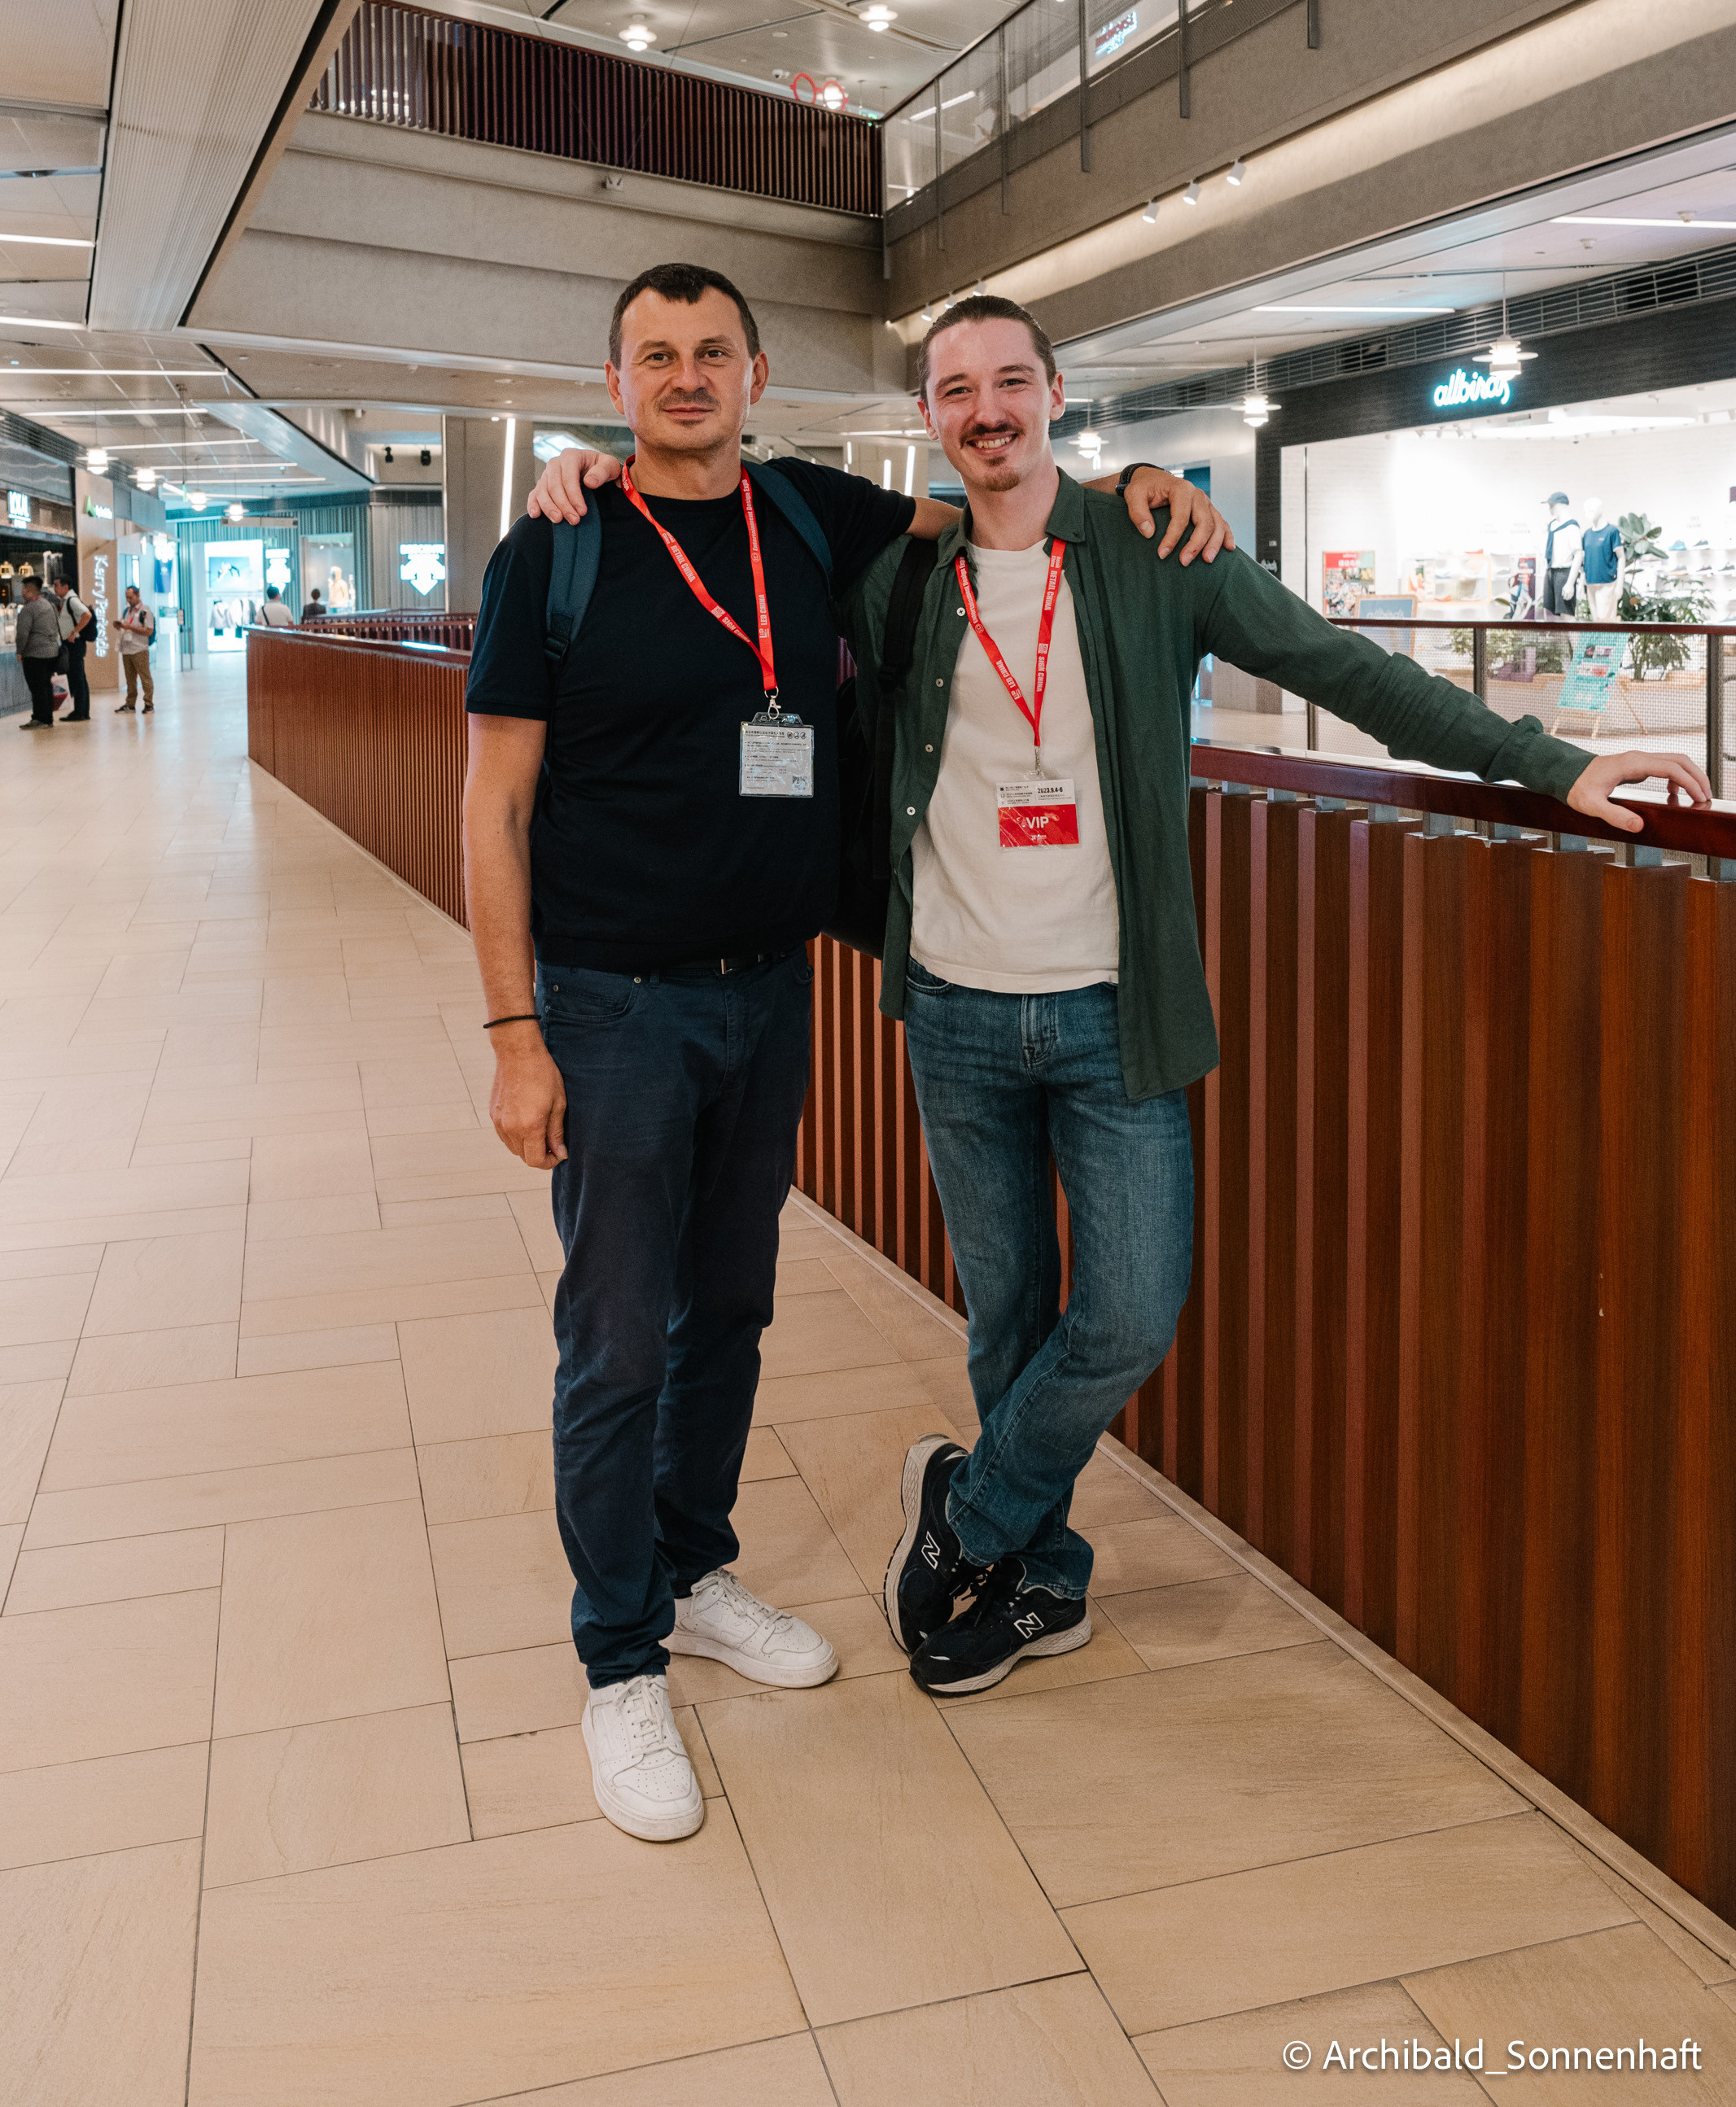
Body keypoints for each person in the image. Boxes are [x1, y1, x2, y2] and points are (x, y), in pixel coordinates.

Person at [820, 294, 1710, 1698]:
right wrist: (589, 477)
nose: (984, 408)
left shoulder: (1155, 545)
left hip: (1118, 1012)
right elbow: (741, 532)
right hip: (954, 1009)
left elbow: (1338, 669)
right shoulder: (901, 581)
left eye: (1008, 381)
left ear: (1055, 391)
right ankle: (1037, 1580)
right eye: (952, 390)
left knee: (1123, 1315)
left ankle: (972, 1517)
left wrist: (1547, 762)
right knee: (1004, 1313)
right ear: (928, 417)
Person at [465, 261, 1228, 1845]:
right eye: (654, 357)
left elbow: (1000, 503)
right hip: (606, 1001)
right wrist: (510, 1030)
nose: (686, 378)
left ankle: (688, 1570)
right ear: (613, 382)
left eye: (711, 353)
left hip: (766, 989)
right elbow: (493, 804)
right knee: (613, 1335)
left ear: (756, 372)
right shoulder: (554, 543)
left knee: (728, 1308)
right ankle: (619, 1659)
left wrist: (1146, 479)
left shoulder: (815, 517)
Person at [13, 578, 62, 728]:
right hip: (51, 652)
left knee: (37, 687)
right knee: (46, 686)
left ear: (27, 589)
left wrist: (20, 651)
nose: (22, 592)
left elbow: (22, 634)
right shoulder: (49, 605)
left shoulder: (28, 609)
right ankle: (48, 718)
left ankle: (39, 719)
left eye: (24, 589)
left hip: (34, 654)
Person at [51, 577, 95, 720]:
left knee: (78, 677)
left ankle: (80, 712)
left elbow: (87, 615)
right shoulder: (66, 601)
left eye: (56, 585)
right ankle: (81, 711)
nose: (55, 588)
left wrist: (75, 631)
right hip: (72, 644)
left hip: (74, 644)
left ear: (65, 587)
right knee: (79, 677)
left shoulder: (72, 600)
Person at [114, 585, 155, 713]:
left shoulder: (145, 611)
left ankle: (149, 704)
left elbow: (149, 631)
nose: (129, 600)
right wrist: (120, 626)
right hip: (127, 649)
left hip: (139, 649)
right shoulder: (127, 611)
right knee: (130, 679)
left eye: (131, 597)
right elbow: (126, 626)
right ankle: (130, 704)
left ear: (138, 595)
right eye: (127, 597)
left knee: (144, 677)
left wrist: (130, 627)